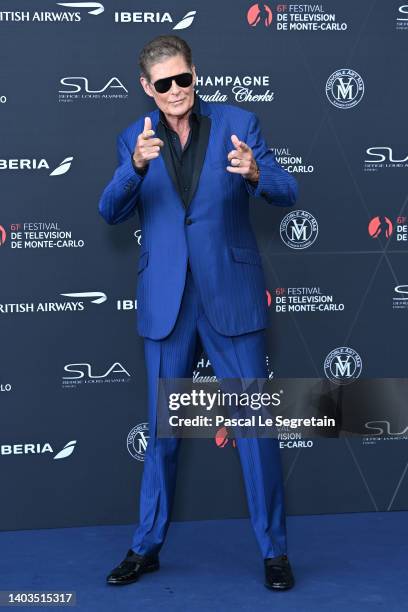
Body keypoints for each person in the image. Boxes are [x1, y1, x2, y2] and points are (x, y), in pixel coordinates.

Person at [98, 35, 298, 591]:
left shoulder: (238, 121)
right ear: (147, 88)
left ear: (194, 74)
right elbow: (110, 211)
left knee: (255, 427)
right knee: (163, 432)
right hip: (166, 301)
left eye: (183, 78)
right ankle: (147, 546)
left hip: (229, 293)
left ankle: (274, 553)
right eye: (163, 83)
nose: (176, 91)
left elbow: (288, 191)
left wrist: (257, 173)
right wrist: (133, 168)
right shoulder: (132, 140)